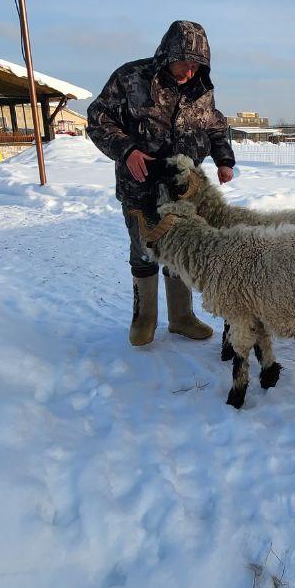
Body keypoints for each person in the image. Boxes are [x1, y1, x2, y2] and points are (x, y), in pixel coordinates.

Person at [87, 20, 236, 346]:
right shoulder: (131, 77)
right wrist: (126, 151)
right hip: (141, 186)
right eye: (185, 61)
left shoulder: (201, 88)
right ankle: (144, 320)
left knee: (182, 249)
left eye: (198, 64)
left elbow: (214, 124)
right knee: (144, 249)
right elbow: (98, 118)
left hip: (185, 189)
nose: (190, 70)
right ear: (168, 53)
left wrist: (224, 159)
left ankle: (182, 317)